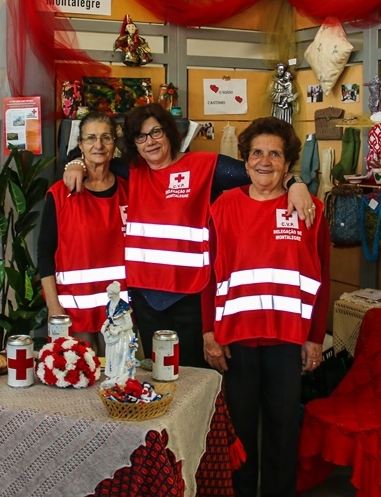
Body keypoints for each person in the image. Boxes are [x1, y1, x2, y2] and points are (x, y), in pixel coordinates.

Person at [64, 104, 316, 369]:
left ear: (170, 133)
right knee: (158, 375)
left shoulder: (205, 166)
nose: (150, 142)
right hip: (146, 299)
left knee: (194, 375)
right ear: (133, 143)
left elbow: (260, 170)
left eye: (156, 132)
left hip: (192, 297)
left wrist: (295, 183)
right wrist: (77, 163)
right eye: (141, 136)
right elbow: (94, 154)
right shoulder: (132, 170)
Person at [203, 116, 330, 497]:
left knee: (282, 432)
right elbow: (208, 274)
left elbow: (322, 280)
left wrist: (316, 338)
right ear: (244, 161)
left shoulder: (310, 211)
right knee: (238, 437)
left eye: (275, 154)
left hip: (287, 342)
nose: (265, 161)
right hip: (236, 342)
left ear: (287, 163)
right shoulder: (223, 207)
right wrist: (209, 332)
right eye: (257, 152)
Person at [37, 111, 129, 355]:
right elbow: (45, 252)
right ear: (80, 145)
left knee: (120, 383)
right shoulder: (60, 194)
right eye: (90, 138)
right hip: (73, 311)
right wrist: (53, 305)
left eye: (106, 138)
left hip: (121, 312)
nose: (98, 145)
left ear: (114, 145)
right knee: (78, 383)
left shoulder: (131, 191)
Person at [101, 280, 138, 387]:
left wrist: (119, 329)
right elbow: (110, 318)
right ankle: (113, 375)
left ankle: (122, 376)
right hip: (112, 335)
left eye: (111, 294)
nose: (109, 296)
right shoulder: (109, 304)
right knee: (112, 355)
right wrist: (104, 325)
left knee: (121, 355)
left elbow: (129, 324)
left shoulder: (124, 307)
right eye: (108, 294)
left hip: (123, 336)